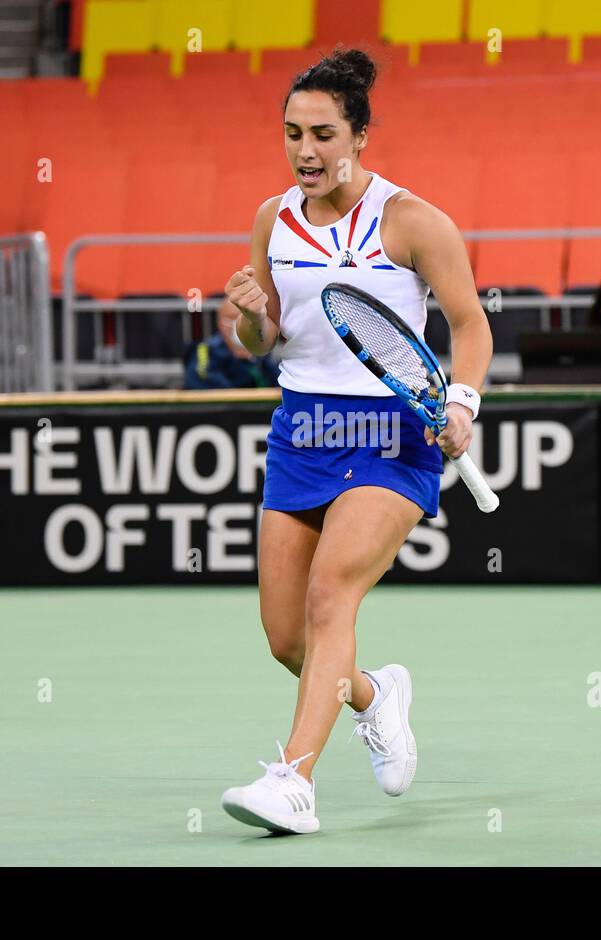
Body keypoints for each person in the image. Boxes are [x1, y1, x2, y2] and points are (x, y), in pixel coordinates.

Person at [218, 48, 493, 835]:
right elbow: (263, 340)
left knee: (332, 593)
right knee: (285, 637)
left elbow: (471, 323)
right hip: (302, 430)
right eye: (292, 134)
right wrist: (244, 313)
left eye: (324, 135)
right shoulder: (273, 219)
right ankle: (376, 695)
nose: (306, 151)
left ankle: (292, 782)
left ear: (360, 137)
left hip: (389, 433)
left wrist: (463, 403)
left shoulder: (411, 221)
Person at [183, 298, 281, 389]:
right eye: (233, 317)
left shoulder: (262, 351)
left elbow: (278, 382)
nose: (239, 322)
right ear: (221, 324)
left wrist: (251, 360)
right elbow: (201, 384)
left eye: (245, 316)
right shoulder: (206, 350)